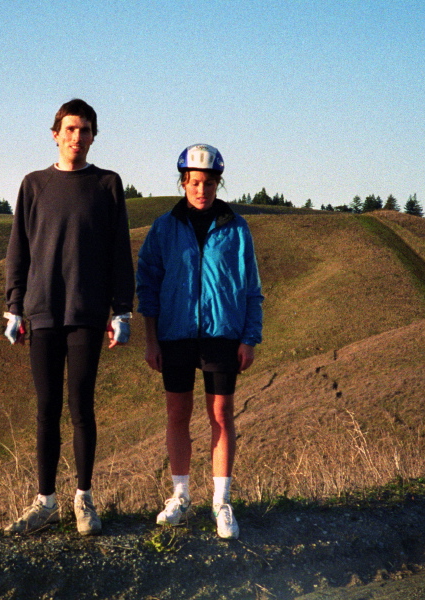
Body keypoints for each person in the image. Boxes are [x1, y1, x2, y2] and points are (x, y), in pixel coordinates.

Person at [2, 98, 135, 536]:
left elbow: (120, 252)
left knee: (81, 405)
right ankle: (44, 501)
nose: (78, 137)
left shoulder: (107, 185)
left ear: (94, 136)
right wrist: (13, 306)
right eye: (71, 129)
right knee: (46, 408)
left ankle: (83, 500)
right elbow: (18, 249)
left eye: (86, 130)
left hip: (86, 312)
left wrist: (122, 311)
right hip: (41, 311)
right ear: (56, 133)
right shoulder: (34, 185)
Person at [136, 144, 263, 539]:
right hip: (174, 333)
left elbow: (252, 288)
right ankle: (180, 496)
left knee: (221, 415)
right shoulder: (163, 227)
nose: (201, 190)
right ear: (183, 183)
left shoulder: (237, 228)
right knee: (177, 414)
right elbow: (148, 285)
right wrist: (151, 339)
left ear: (217, 184)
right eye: (194, 183)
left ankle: (221, 503)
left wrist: (250, 337)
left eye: (208, 183)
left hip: (222, 333)